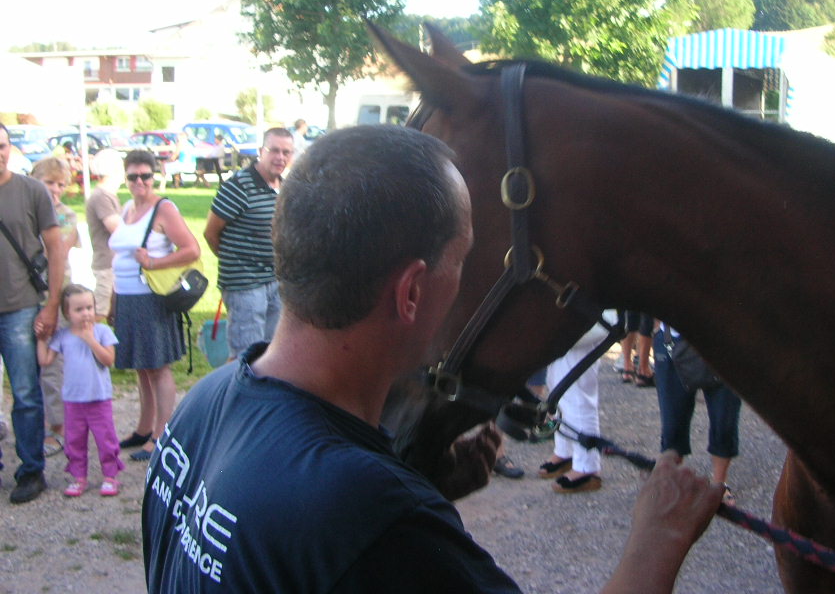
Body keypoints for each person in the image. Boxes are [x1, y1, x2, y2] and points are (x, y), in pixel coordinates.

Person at [142, 125, 724, 592]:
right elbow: (349, 534)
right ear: (412, 292)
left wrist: (419, 484)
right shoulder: (376, 518)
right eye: (465, 258)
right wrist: (658, 541)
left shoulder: (204, 404)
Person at [109, 150, 200, 461]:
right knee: (142, 367)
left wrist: (155, 262)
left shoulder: (164, 209)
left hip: (151, 298)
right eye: (133, 176)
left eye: (145, 176)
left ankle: (162, 434)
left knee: (158, 367)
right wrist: (112, 299)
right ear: (126, 178)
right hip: (126, 297)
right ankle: (143, 428)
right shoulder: (126, 210)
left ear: (154, 176)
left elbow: (192, 249)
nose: (139, 182)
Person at [0, 123, 66, 503]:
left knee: (25, 393)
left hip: (21, 307)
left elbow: (55, 248)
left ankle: (31, 470)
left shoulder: (31, 191)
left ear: (10, 148)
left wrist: (53, 304)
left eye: (3, 145)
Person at [203, 127, 293, 359]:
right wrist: (236, 263)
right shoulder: (239, 186)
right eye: (274, 150)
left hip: (275, 281)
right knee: (246, 355)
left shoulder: (284, 187)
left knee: (272, 353)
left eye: (286, 152)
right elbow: (211, 233)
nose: (280, 157)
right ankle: (235, 394)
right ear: (261, 151)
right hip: (245, 285)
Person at [36, 284, 124, 497]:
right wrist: (41, 340)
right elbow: (45, 361)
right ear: (67, 313)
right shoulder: (63, 336)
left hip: (98, 398)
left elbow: (109, 359)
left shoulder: (102, 331)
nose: (86, 313)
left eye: (89, 307)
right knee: (74, 440)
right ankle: (79, 476)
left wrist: (90, 339)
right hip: (73, 400)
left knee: (105, 438)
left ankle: (110, 475)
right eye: (79, 310)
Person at [653, 321, 741, 507]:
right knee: (672, 425)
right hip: (671, 340)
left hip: (723, 342)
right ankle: (672, 484)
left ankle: (719, 485)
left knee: (724, 422)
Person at [30, 157, 81, 458]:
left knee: (52, 362)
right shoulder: (27, 210)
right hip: (26, 294)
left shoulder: (65, 215)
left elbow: (58, 249)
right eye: (49, 182)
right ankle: (39, 421)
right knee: (31, 363)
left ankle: (58, 427)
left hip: (55, 295)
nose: (56, 189)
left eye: (60, 184)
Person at [538, 317, 609, 492]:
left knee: (577, 393)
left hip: (583, 320)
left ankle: (587, 467)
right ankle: (565, 451)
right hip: (565, 321)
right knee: (556, 387)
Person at [85, 149, 124, 324]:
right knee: (98, 312)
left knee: (115, 313)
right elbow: (116, 228)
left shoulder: (108, 196)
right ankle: (83, 345)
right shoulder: (101, 196)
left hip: (113, 264)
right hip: (106, 264)